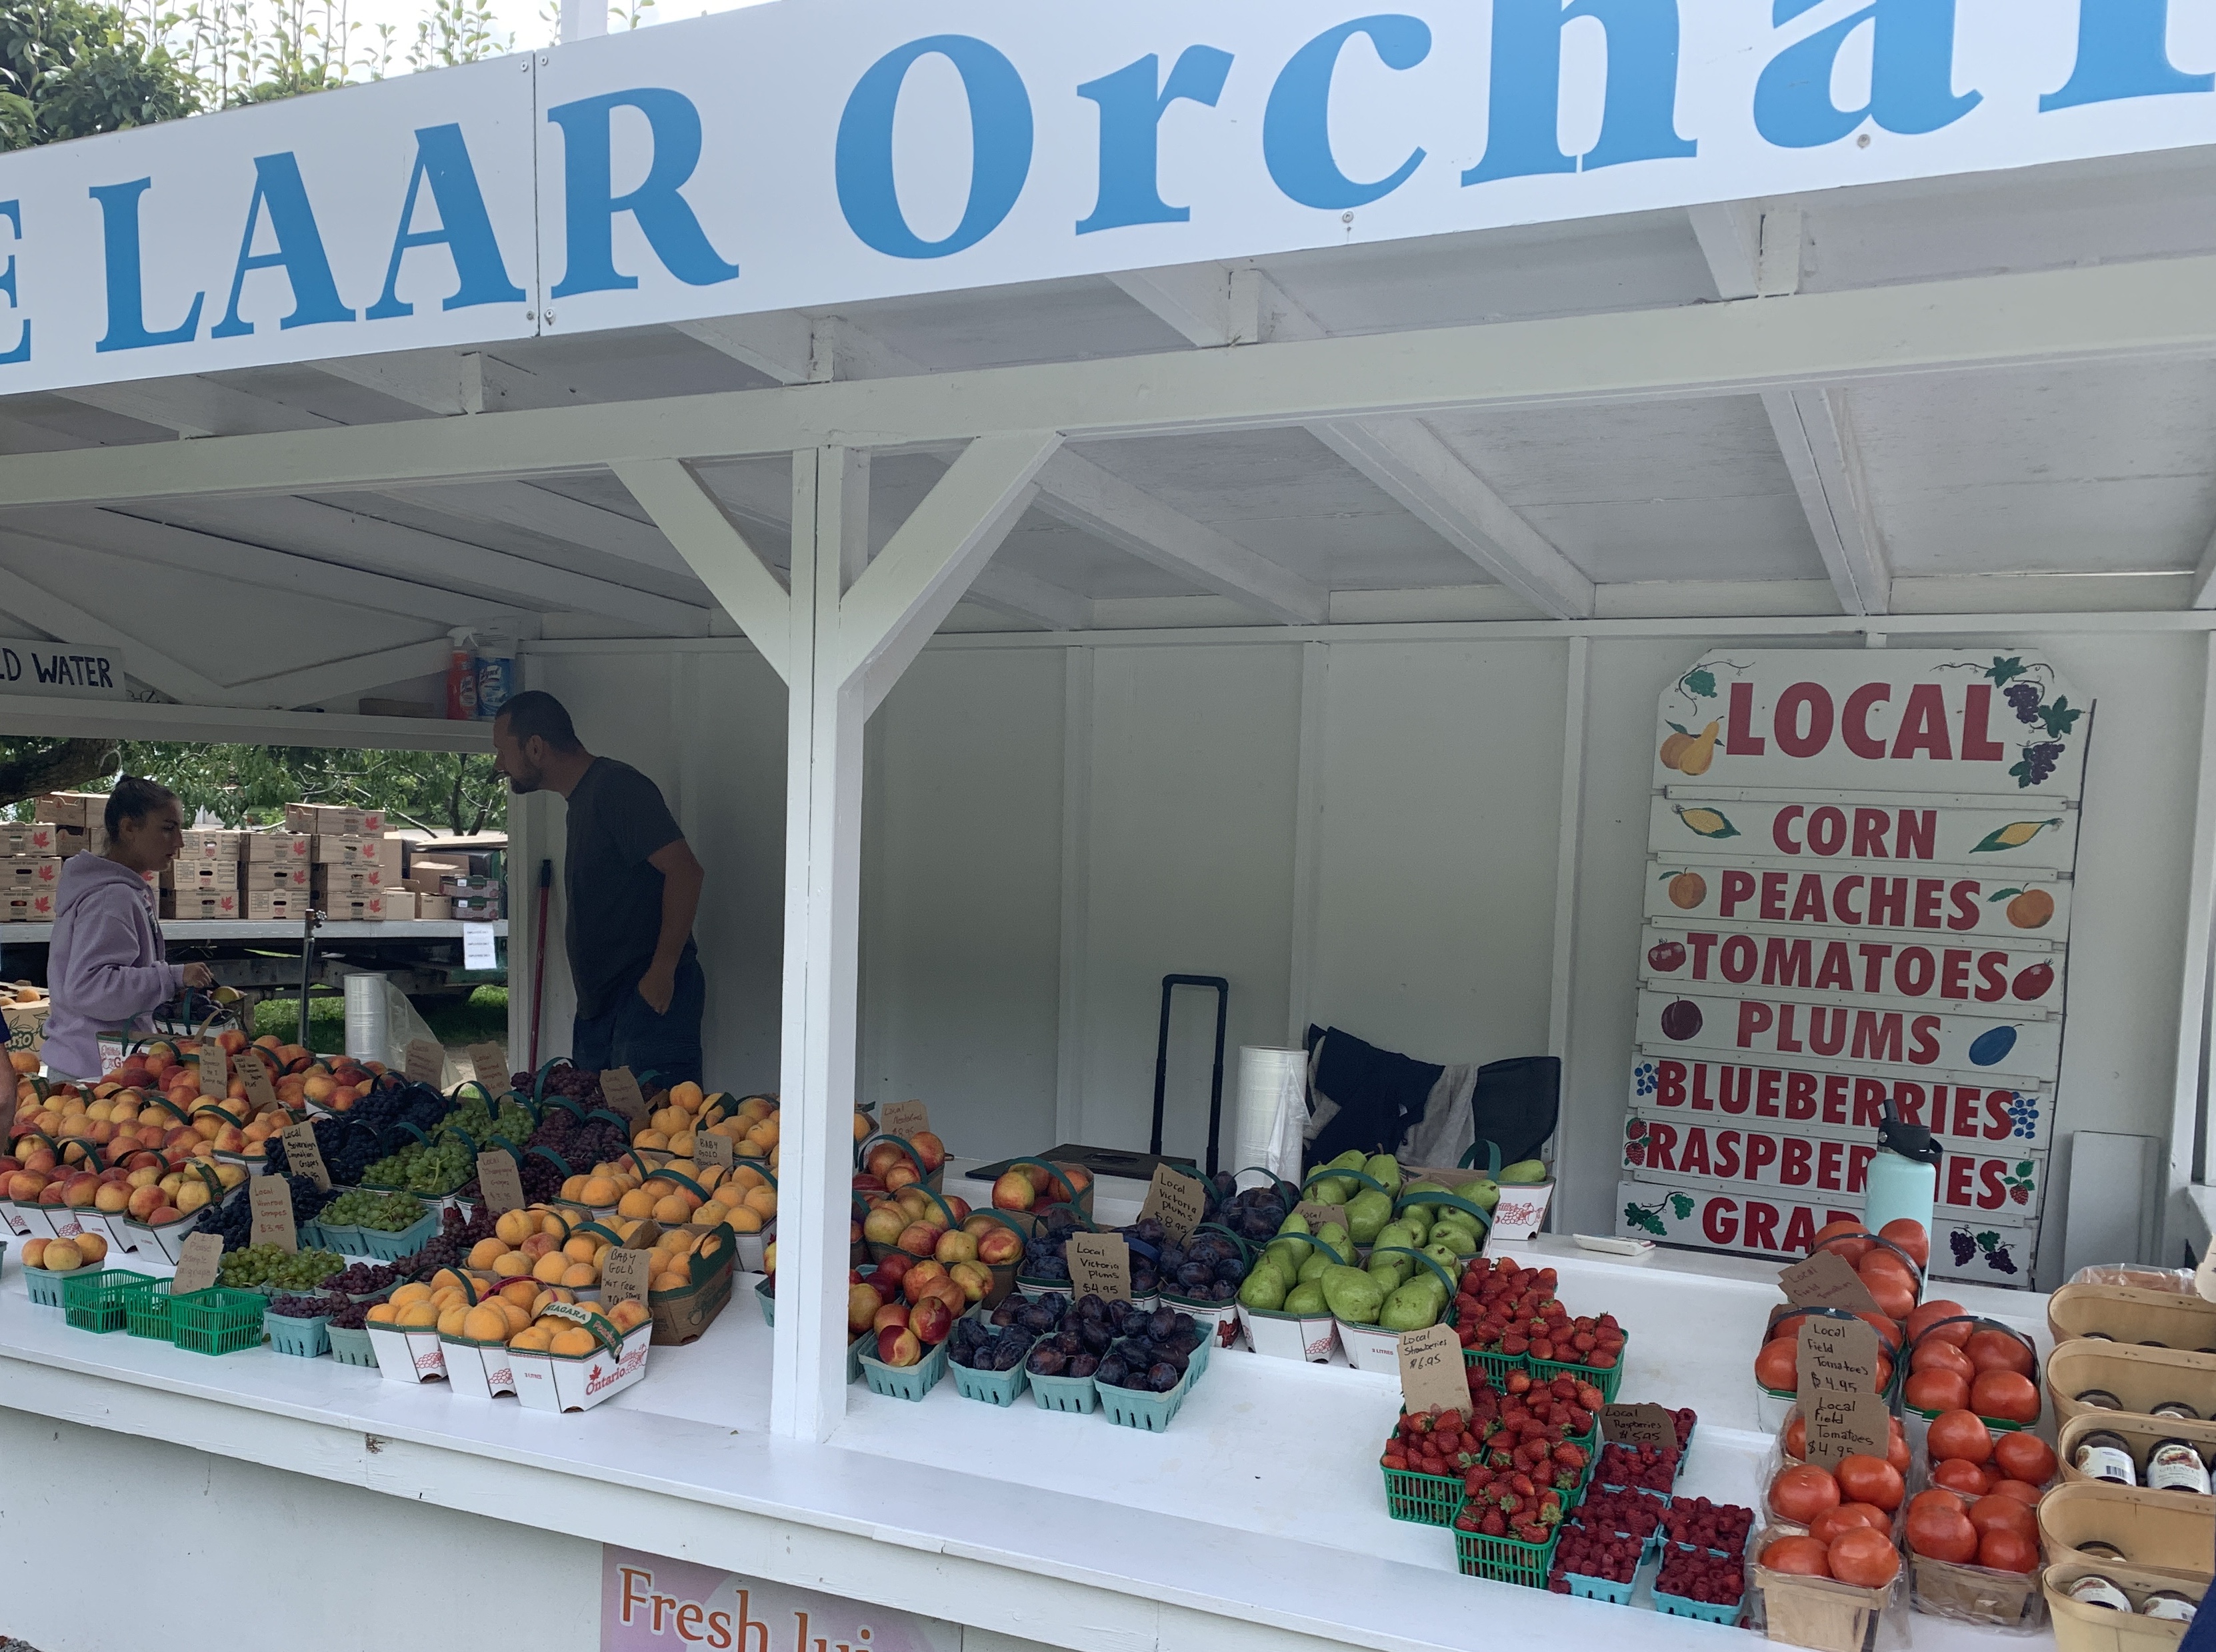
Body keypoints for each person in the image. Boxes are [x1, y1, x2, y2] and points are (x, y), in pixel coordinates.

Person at [491, 689, 707, 1087]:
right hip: (601, 1008)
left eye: (503, 751)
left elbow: (686, 872)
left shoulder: (616, 788)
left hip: (641, 1001)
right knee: (599, 1135)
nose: (500, 764)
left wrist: (661, 971)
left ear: (535, 747)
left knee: (654, 1137)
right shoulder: (584, 798)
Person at [44, 777, 215, 1081]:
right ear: (128, 828)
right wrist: (172, 977)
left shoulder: (120, 890)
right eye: (167, 828)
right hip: (94, 1076)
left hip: (92, 1065)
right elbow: (90, 988)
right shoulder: (112, 897)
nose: (179, 842)